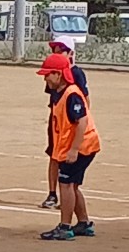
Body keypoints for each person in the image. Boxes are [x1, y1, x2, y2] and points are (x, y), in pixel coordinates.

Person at [37, 53, 101, 241]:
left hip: (82, 147)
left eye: (48, 74)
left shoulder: (72, 94)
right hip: (75, 146)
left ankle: (65, 227)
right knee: (72, 185)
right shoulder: (60, 92)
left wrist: (74, 149)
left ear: (59, 74)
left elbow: (82, 122)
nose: (45, 79)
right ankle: (83, 223)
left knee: (65, 185)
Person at [42, 35, 89, 210]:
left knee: (69, 164)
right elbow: (54, 98)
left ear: (71, 53)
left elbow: (84, 100)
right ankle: (52, 193)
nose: (57, 53)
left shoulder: (76, 73)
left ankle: (68, 196)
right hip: (57, 122)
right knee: (54, 155)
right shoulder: (53, 72)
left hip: (72, 122)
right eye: (55, 50)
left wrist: (82, 118)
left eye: (61, 50)